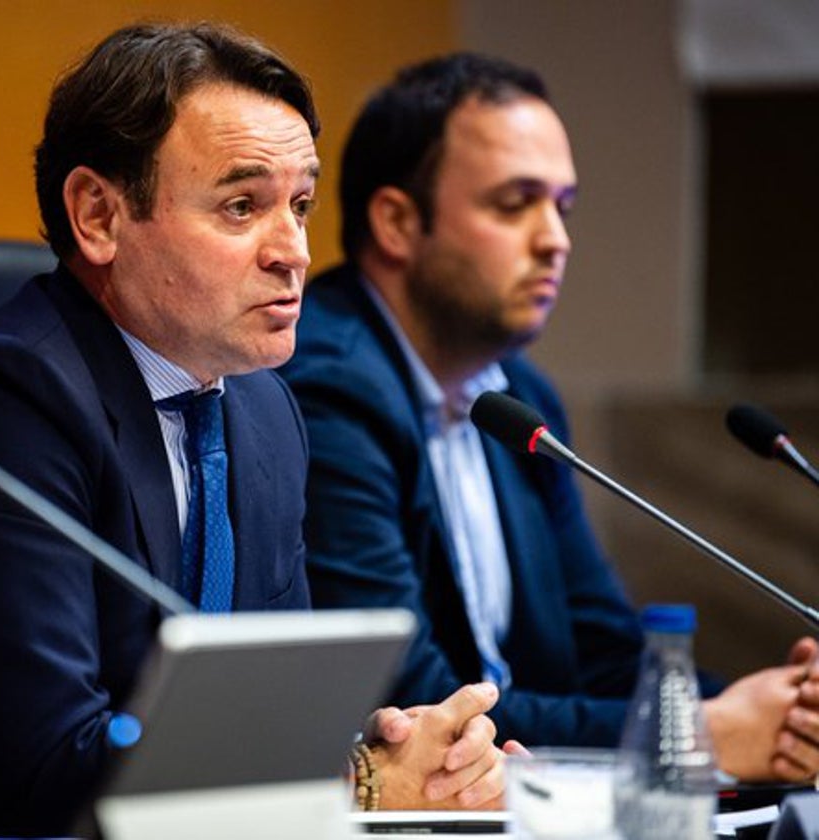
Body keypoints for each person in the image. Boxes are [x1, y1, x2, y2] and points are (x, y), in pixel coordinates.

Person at [0, 26, 514, 837]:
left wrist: (406, 755)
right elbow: (38, 771)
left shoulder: (264, 410)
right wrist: (355, 787)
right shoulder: (2, 401)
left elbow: (263, 710)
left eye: (299, 206)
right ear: (98, 215)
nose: (293, 252)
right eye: (241, 206)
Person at [279, 52, 819, 782]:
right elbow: (412, 704)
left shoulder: (517, 397)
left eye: (561, 207)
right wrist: (694, 733)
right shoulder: (326, 387)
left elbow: (600, 650)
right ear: (398, 222)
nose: (555, 240)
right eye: (515, 204)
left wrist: (781, 710)